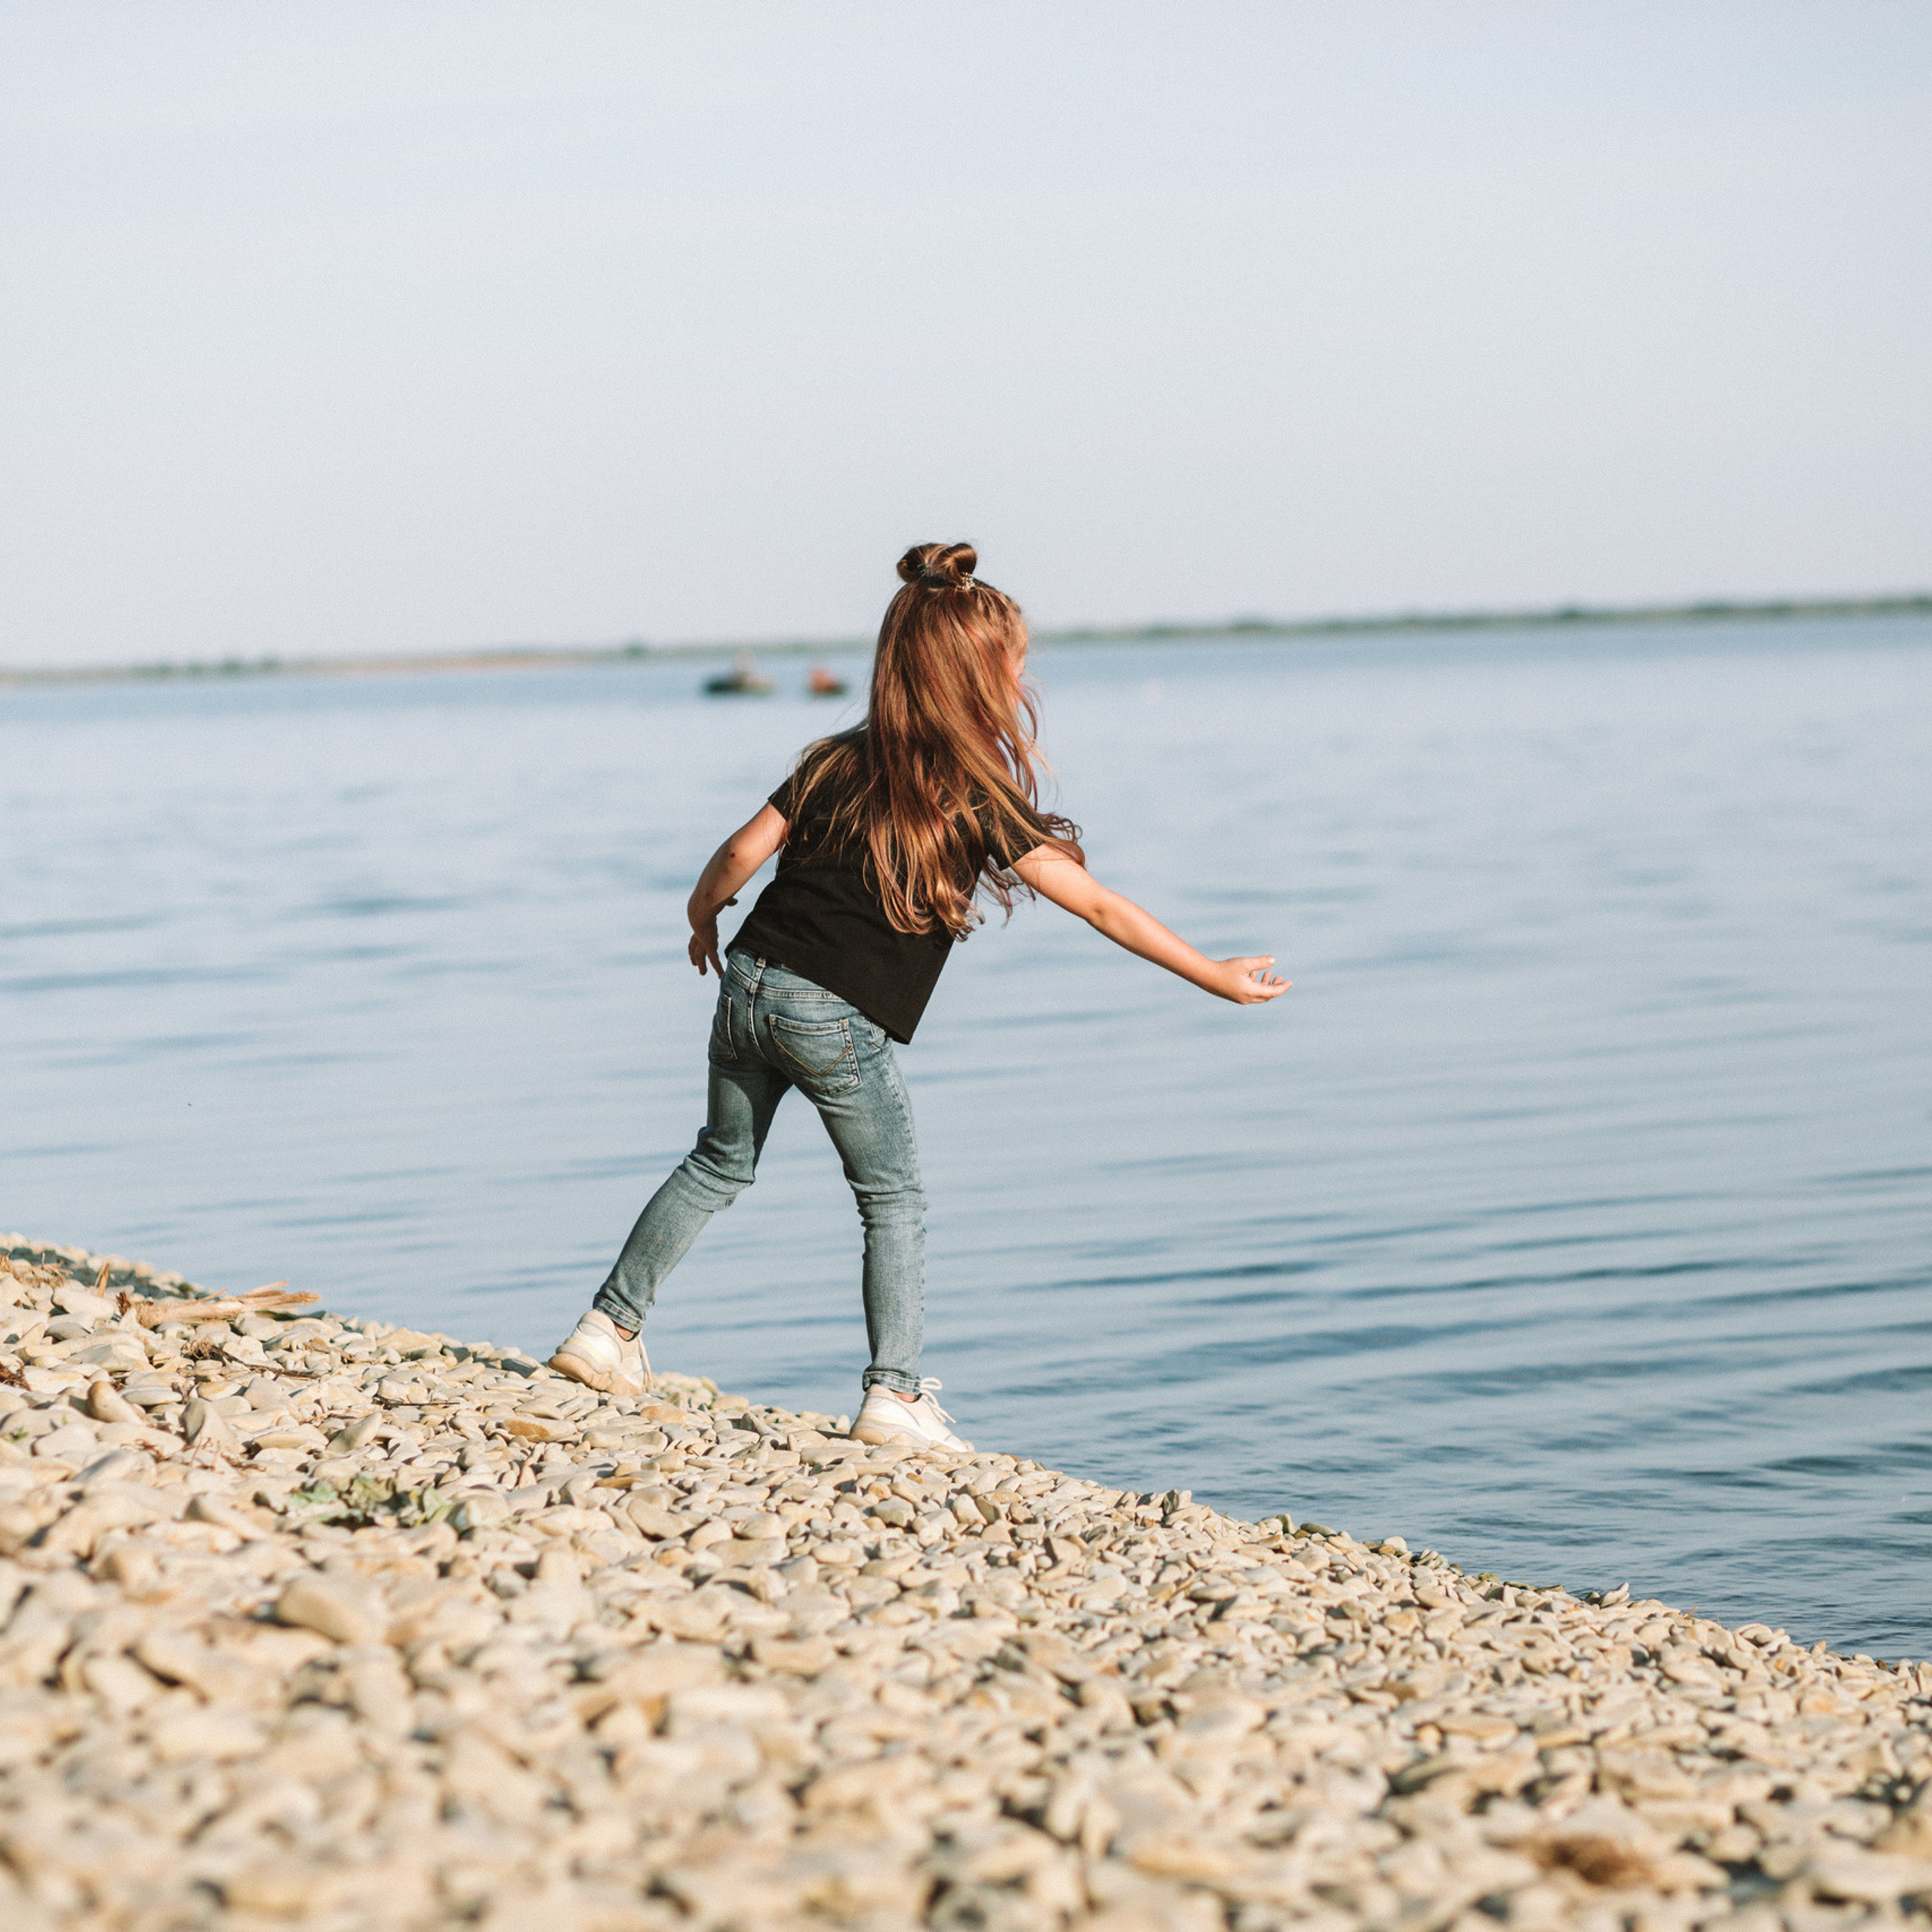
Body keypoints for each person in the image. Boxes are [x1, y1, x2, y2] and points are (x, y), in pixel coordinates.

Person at [549, 543, 1288, 1449]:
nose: (1024, 680)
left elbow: (741, 852)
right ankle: (893, 1396)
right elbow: (1097, 904)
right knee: (891, 1197)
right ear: (981, 679)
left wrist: (703, 916)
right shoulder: (974, 791)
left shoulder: (830, 759)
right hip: (833, 1021)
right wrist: (1212, 972)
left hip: (747, 985)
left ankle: (605, 1329)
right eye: (1017, 665)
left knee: (716, 1162)